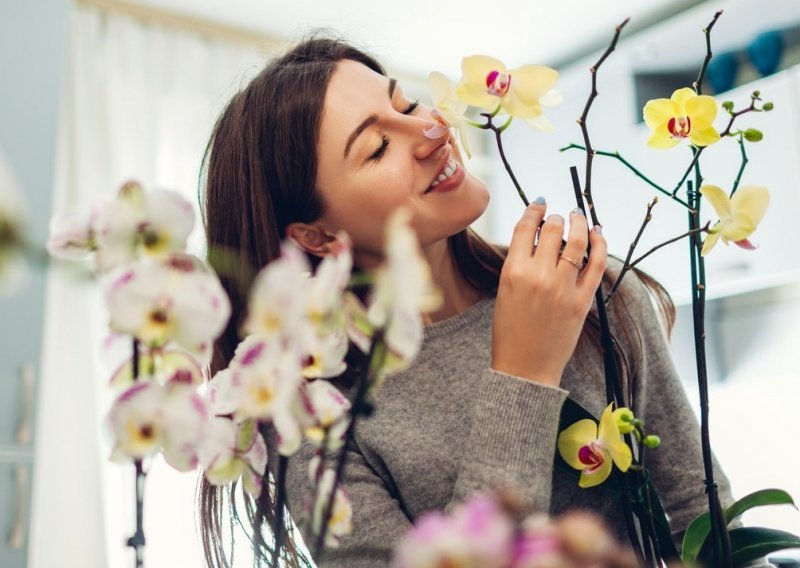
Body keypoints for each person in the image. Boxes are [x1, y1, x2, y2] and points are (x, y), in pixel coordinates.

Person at [199, 37, 733, 567]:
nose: (431, 131)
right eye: (377, 148)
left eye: (405, 104)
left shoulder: (582, 289)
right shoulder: (314, 418)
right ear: (315, 236)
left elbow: (704, 517)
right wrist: (525, 371)